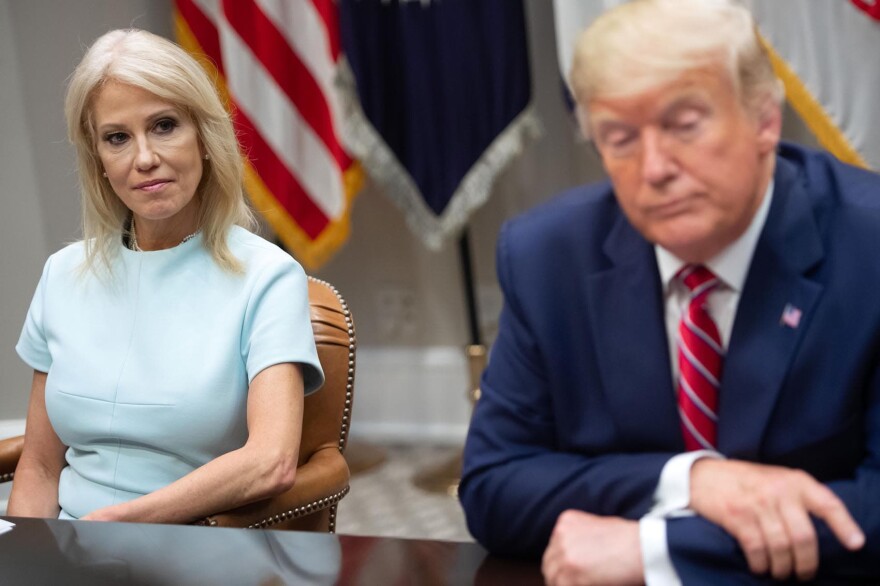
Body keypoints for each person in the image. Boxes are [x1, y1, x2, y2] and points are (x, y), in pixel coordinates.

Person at [459, 0, 880, 583]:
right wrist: (693, 481)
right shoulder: (547, 256)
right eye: (620, 138)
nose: (654, 167)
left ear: (764, 120)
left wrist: (660, 551)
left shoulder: (870, 243)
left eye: (685, 125)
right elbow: (494, 486)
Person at [8, 29, 324, 524]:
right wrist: (28, 559)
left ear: (204, 138)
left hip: (195, 545)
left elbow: (271, 461)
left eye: (163, 126)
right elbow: (42, 466)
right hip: (67, 550)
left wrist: (119, 525)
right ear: (99, 164)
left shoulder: (268, 276)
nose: (144, 158)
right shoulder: (62, 274)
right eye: (117, 138)